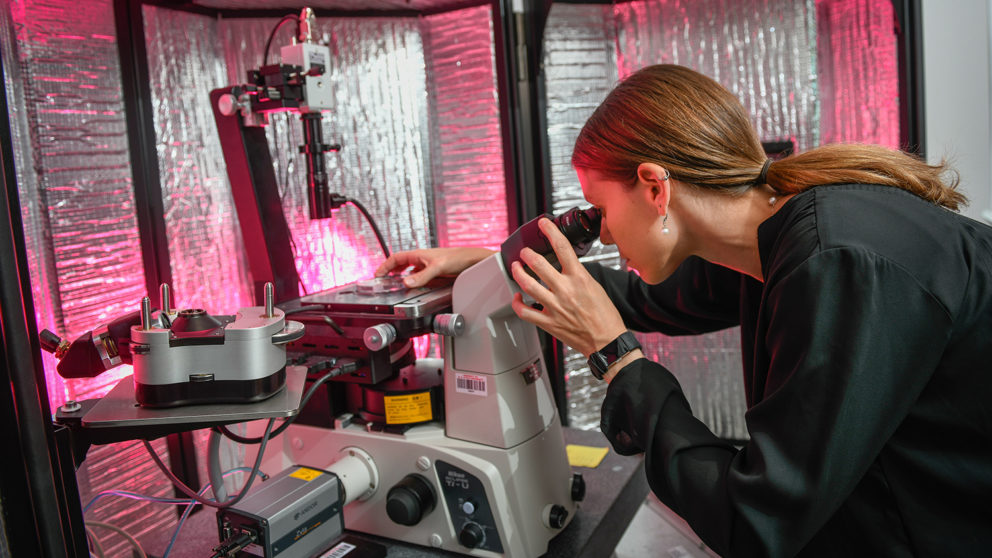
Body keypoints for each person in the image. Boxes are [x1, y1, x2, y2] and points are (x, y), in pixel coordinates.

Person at [375, 64, 992, 557]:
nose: (606, 237)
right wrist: (487, 265)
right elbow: (646, 297)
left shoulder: (838, 262)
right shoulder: (782, 231)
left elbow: (756, 525)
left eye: (601, 212)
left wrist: (616, 356)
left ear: (654, 186)